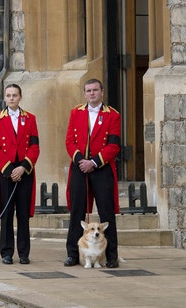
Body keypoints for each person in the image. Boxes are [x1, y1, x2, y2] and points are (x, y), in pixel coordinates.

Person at [63, 78, 121, 268]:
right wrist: (81, 160)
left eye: (95, 90)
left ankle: (111, 257)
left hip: (101, 168)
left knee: (106, 213)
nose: (92, 93)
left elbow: (113, 145)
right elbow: (69, 141)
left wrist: (94, 162)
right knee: (77, 212)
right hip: (80, 167)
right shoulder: (75, 112)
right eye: (88, 91)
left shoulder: (112, 115)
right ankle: (72, 254)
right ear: (85, 93)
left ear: (102, 92)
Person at [0, 83, 40, 265]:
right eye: (8, 95)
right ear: (4, 97)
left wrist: (23, 167)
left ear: (20, 97)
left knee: (23, 214)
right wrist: (10, 171)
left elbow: (34, 146)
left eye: (15, 95)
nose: (11, 98)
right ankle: (7, 252)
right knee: (7, 213)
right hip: (6, 172)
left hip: (24, 171)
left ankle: (24, 253)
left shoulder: (30, 119)